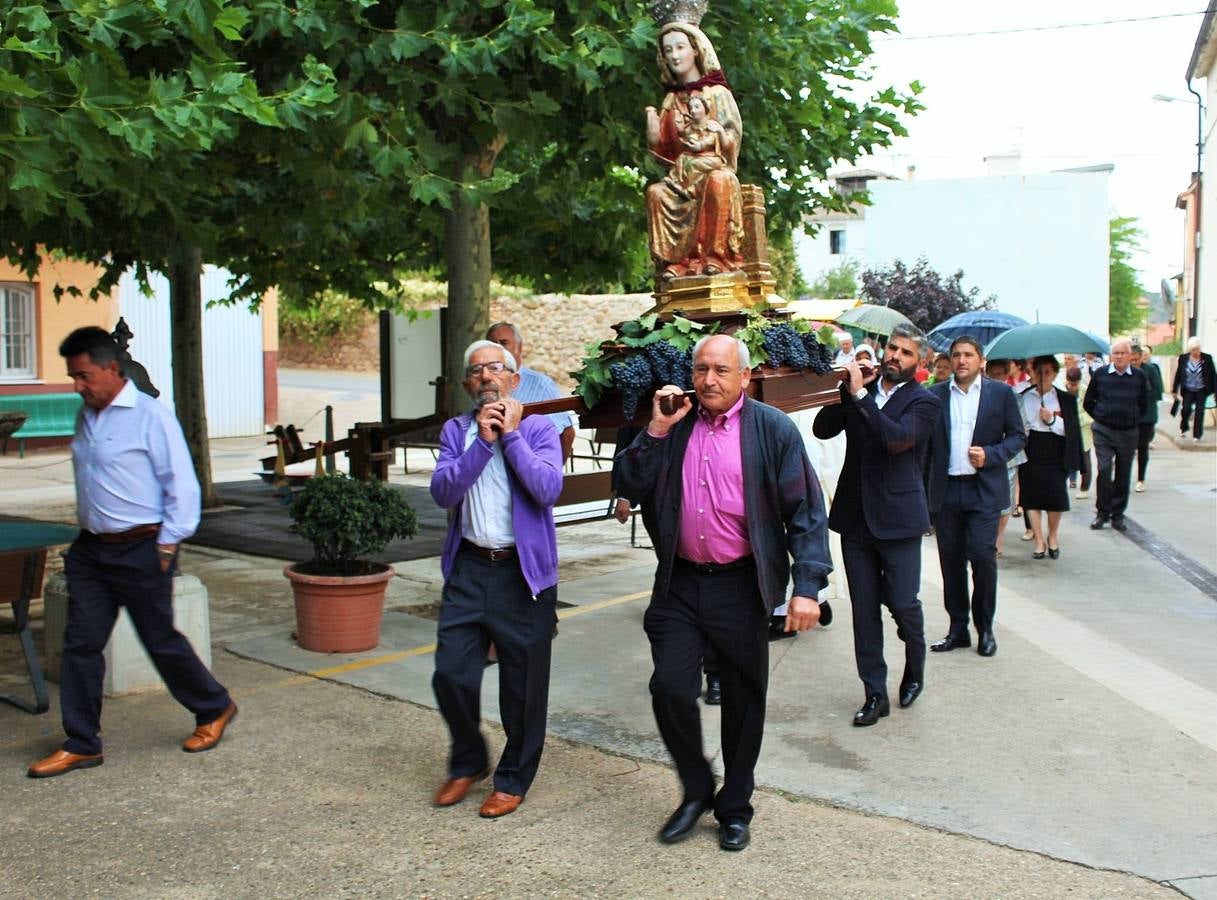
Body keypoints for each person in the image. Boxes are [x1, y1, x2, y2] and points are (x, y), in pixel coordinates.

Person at [615, 334, 831, 852]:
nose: (709, 380)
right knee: (669, 686)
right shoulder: (674, 422)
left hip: (740, 583)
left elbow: (805, 512)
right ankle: (695, 788)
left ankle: (734, 807)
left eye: (721, 370)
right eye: (701, 369)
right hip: (680, 582)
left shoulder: (772, 430)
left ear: (744, 376)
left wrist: (806, 588)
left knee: (743, 700)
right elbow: (629, 482)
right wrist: (656, 430)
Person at [28, 327, 236, 779]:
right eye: (72, 377)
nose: (77, 386)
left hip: (143, 547)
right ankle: (82, 742)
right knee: (80, 643)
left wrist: (166, 546)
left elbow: (182, 486)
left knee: (159, 640)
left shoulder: (150, 416)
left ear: (111, 369)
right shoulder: (88, 416)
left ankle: (213, 707)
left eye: (84, 376)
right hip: (91, 551)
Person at [428, 340, 564, 819]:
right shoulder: (456, 431)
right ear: (467, 384)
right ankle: (469, 758)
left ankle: (512, 778)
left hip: (521, 576)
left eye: (495, 368)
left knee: (522, 690)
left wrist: (509, 437)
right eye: (476, 371)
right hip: (469, 568)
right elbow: (443, 491)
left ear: (513, 377)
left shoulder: (540, 428)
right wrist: (482, 444)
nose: (486, 376)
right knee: (450, 673)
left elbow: (547, 488)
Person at [812, 324, 941, 725]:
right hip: (856, 520)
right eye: (892, 349)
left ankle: (915, 665)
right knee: (864, 610)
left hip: (899, 520)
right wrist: (845, 393)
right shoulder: (859, 391)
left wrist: (863, 397)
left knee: (903, 603)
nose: (895, 357)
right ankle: (874, 693)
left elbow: (896, 440)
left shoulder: (925, 402)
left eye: (905, 353)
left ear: (919, 363)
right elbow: (822, 428)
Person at [926, 336, 1026, 658]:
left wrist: (992, 454)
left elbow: (1018, 436)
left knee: (982, 558)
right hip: (947, 489)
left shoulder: (1001, 394)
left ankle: (986, 628)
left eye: (968, 355)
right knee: (950, 561)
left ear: (980, 360)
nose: (962, 360)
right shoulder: (935, 395)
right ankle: (958, 629)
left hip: (983, 489)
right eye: (956, 355)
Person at [645, 22, 744, 279]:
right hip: (684, 173)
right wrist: (654, 135)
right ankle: (677, 262)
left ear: (696, 50)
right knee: (655, 193)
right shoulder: (671, 99)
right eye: (668, 50)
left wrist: (716, 137)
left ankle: (715, 257)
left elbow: (733, 136)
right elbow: (665, 150)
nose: (675, 55)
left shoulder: (718, 93)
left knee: (719, 181)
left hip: (712, 166)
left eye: (680, 47)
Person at [1018, 356, 1083, 560]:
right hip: (1031, 449)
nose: (1043, 376)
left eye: (1047, 372)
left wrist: (1052, 419)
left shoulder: (1066, 398)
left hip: (1056, 450)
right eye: (1039, 372)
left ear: (1055, 374)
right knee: (1032, 498)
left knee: (1056, 497)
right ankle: (1039, 540)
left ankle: (1052, 535)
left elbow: (1072, 431)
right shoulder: (1024, 397)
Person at [486, 322, 576, 460]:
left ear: (519, 348)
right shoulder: (482, 385)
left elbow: (566, 434)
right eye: (493, 344)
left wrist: (551, 474)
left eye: (504, 343)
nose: (498, 349)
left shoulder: (541, 386)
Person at [1084, 338, 1147, 532]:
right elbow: (1088, 402)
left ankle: (1118, 514)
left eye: (1123, 353)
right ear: (1111, 356)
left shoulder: (1139, 376)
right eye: (1116, 353)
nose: (1119, 357)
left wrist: (1132, 418)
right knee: (1104, 469)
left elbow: (1144, 403)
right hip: (1104, 430)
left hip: (1128, 432)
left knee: (1123, 472)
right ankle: (1102, 512)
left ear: (1131, 356)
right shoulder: (1101, 374)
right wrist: (1101, 417)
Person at [1172, 336, 1216, 442]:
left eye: (1197, 349)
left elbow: (1213, 375)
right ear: (1189, 350)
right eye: (1193, 350)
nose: (1196, 352)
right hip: (1188, 389)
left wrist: (1215, 391)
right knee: (1186, 409)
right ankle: (1184, 427)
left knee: (1199, 412)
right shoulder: (1183, 358)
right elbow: (1179, 374)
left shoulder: (1207, 358)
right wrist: (1174, 390)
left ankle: (1197, 435)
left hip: (1201, 389)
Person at [1133, 345, 1164, 492]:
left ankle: (1141, 478)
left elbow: (1158, 392)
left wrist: (1141, 398)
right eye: (1131, 360)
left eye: (1136, 360)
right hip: (1128, 416)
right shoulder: (1124, 371)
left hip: (1146, 416)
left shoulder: (1150, 370)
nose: (1133, 363)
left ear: (1141, 358)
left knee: (1142, 447)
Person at [1065, 366, 1094, 500]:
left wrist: (1077, 418)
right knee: (1064, 457)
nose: (1072, 386)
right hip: (1065, 429)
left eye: (1075, 384)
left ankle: (1084, 487)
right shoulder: (1061, 390)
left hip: (1083, 429)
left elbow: (1091, 412)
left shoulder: (1086, 391)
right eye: (1070, 383)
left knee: (1085, 458)